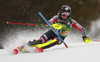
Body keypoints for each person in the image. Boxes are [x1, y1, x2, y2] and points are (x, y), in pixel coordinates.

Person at [13, 5, 91, 54]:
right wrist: (52, 25)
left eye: (66, 14)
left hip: (60, 37)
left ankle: (40, 48)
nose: (64, 15)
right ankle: (21, 47)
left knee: (55, 41)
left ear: (69, 14)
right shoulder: (56, 17)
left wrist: (84, 36)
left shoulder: (71, 22)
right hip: (51, 32)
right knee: (40, 41)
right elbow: (49, 22)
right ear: (60, 12)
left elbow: (82, 28)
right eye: (63, 13)